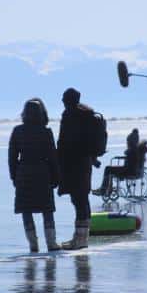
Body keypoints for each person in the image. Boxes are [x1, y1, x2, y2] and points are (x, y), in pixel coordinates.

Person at [8, 99, 60, 252]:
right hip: (43, 173)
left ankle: (33, 244)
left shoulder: (17, 131)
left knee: (26, 210)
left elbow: (12, 157)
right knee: (47, 210)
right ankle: (51, 243)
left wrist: (14, 176)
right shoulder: (45, 132)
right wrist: (56, 177)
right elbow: (53, 157)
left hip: (23, 173)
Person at [57, 88, 94, 250]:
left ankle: (79, 240)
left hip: (73, 163)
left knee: (78, 200)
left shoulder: (70, 115)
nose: (62, 101)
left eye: (64, 98)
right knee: (83, 200)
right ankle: (82, 238)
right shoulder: (87, 114)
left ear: (68, 100)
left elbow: (64, 142)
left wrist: (57, 162)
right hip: (85, 163)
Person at [93, 128, 141, 196]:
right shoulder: (135, 149)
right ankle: (107, 188)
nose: (127, 143)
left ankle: (103, 189)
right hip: (129, 168)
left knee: (108, 169)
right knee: (109, 169)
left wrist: (127, 152)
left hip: (129, 170)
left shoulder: (132, 150)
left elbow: (129, 157)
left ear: (131, 141)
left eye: (128, 141)